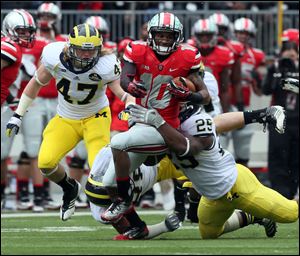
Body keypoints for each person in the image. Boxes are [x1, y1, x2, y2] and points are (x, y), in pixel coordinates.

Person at [93, 103, 286, 239]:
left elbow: (188, 147)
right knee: (206, 230)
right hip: (181, 164)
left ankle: (264, 113)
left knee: (289, 214)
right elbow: (137, 231)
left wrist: (156, 122)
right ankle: (251, 216)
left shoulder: (193, 123)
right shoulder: (104, 200)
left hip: (214, 171)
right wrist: (163, 226)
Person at [6, 23, 134, 221]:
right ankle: (70, 188)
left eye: (91, 50)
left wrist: (130, 107)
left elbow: (122, 94)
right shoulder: (53, 56)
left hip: (96, 117)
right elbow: (34, 84)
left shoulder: (107, 64)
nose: (86, 55)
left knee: (99, 171)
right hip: (65, 118)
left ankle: (123, 218)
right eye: (82, 49)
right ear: (70, 47)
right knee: (46, 163)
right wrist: (18, 115)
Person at [100, 11, 210, 223]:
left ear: (177, 38)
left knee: (118, 142)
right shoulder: (137, 50)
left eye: (169, 36)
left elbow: (205, 97)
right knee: (109, 181)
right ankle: (137, 225)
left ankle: (124, 200)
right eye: (160, 35)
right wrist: (131, 86)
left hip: (165, 127)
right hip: (140, 124)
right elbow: (124, 79)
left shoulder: (188, 57)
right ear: (151, 34)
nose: (164, 39)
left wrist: (189, 95)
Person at [1, 9, 36, 208]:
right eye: (21, 31)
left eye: (28, 31)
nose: (26, 36)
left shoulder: (11, 46)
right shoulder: (10, 48)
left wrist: (11, 99)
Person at [262, 40, 299, 200]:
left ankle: (292, 191)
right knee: (278, 156)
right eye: (287, 53)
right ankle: (280, 193)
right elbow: (266, 89)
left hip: (297, 121)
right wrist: (278, 73)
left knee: (296, 158)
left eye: (293, 54)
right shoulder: (275, 68)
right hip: (280, 120)